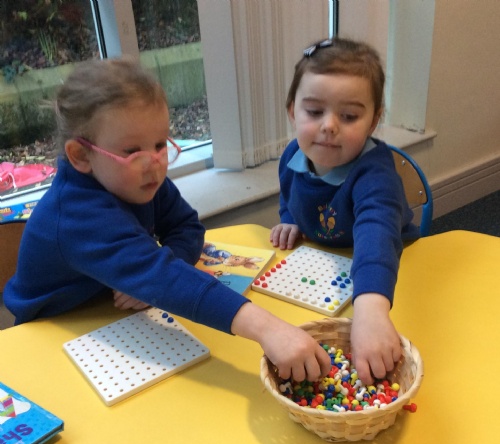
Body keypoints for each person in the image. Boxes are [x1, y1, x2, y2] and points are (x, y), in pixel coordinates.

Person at [4, 57, 331, 383]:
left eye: (160, 144)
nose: (155, 163)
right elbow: (161, 274)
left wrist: (146, 279)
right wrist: (268, 328)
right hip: (51, 334)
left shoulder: (140, 177)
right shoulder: (75, 213)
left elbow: (186, 227)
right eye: (132, 151)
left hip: (111, 314)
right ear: (81, 155)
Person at [270, 38, 420, 385]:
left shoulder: (375, 174)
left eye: (349, 116)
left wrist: (371, 310)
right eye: (314, 112)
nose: (329, 126)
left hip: (387, 268)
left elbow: (377, 232)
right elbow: (291, 196)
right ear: (292, 111)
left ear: (373, 121)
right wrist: (289, 219)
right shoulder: (293, 155)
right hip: (321, 267)